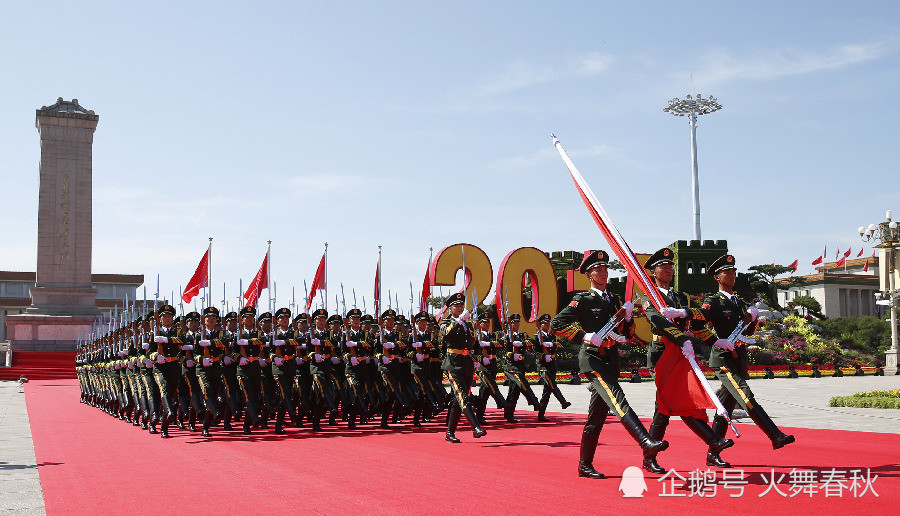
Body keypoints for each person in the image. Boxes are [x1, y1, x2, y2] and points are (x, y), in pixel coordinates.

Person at [551, 250, 668, 479]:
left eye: (606, 269)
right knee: (617, 398)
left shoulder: (614, 300)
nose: (603, 273)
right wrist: (585, 336)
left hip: (610, 359)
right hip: (593, 358)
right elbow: (557, 323)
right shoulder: (583, 300)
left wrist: (627, 319)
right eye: (598, 270)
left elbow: (628, 334)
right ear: (589, 274)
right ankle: (645, 441)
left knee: (596, 417)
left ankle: (584, 465)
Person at [639, 247, 734, 473]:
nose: (669, 269)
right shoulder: (648, 296)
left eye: (671, 266)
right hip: (662, 351)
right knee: (674, 400)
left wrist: (697, 331)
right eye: (663, 266)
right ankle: (711, 439)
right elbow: (656, 320)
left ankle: (649, 456)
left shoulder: (681, 297)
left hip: (681, 352)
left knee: (665, 406)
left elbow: (695, 317)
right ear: (653, 271)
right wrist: (681, 338)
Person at [703, 254, 795, 451]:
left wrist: (752, 320)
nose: (732, 275)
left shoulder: (738, 302)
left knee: (725, 406)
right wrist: (716, 341)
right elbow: (696, 326)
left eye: (734, 272)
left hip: (738, 357)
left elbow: (748, 332)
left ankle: (714, 450)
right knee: (745, 395)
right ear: (717, 277)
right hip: (723, 360)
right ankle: (774, 434)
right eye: (727, 272)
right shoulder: (714, 301)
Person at [440, 293, 487, 442]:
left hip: (466, 363)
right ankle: (475, 427)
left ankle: (449, 432)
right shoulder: (445, 322)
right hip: (452, 365)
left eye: (461, 305)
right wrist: (459, 320)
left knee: (458, 400)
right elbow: (446, 334)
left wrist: (476, 358)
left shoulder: (469, 324)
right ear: (450, 308)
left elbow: (474, 344)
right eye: (456, 305)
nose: (460, 308)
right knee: (462, 397)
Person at [150, 304, 183, 439]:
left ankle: (164, 427)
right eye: (164, 316)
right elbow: (149, 352)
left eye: (169, 316)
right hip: (160, 367)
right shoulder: (154, 333)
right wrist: (156, 356)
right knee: (163, 388)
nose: (167, 319)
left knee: (169, 395)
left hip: (173, 365)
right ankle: (168, 412)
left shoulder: (177, 332)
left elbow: (182, 341)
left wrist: (166, 340)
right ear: (161, 318)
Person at [501, 314, 541, 423]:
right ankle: (534, 401)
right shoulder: (506, 337)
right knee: (521, 382)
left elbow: (531, 342)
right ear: (510, 324)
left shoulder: (522, 336)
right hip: (510, 366)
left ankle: (509, 414)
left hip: (520, 365)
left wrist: (521, 343)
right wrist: (511, 355)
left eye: (518, 322)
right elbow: (502, 353)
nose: (517, 324)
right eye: (515, 322)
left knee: (514, 391)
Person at [531, 314, 571, 422]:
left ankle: (541, 414)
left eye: (548, 323)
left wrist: (550, 346)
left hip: (552, 365)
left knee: (547, 392)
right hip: (543, 367)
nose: (547, 325)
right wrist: (544, 356)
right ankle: (563, 402)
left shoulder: (552, 336)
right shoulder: (537, 337)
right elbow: (535, 353)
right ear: (540, 324)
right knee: (552, 384)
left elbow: (555, 345)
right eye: (545, 323)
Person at [473, 312, 507, 425]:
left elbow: (499, 344)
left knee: (484, 392)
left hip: (492, 364)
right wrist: (481, 358)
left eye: (488, 322)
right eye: (484, 322)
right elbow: (473, 350)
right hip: (482, 366)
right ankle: (501, 402)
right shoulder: (476, 336)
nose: (487, 324)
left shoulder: (492, 336)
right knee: (490, 386)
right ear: (480, 323)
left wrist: (488, 344)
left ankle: (479, 415)